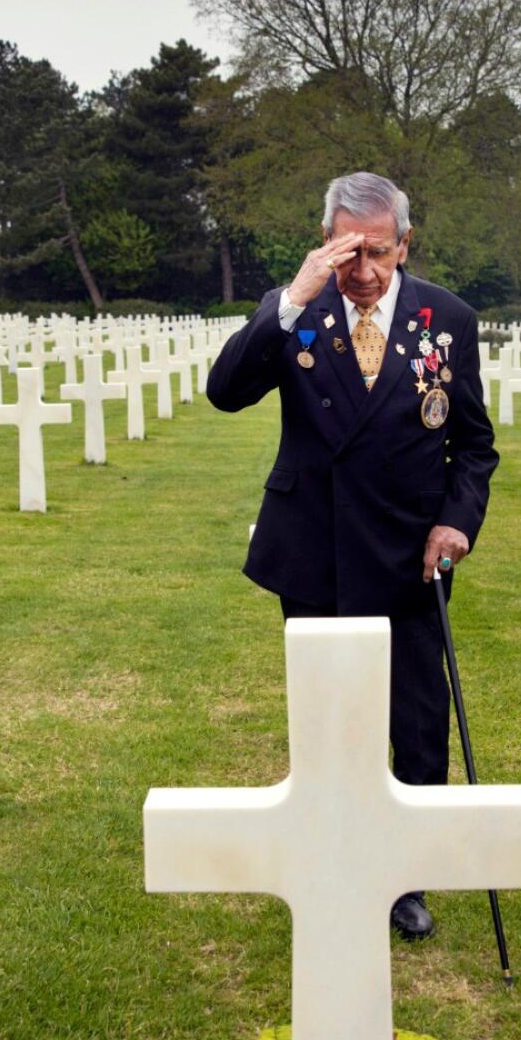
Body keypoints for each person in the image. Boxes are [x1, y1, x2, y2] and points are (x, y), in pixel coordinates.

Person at [207, 171, 499, 941]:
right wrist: (290, 299)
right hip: (315, 550)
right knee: (330, 720)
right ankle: (329, 863)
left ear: (405, 244)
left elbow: (473, 446)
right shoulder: (300, 311)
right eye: (346, 252)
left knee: (416, 717)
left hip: (409, 555)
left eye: (377, 251)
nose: (362, 270)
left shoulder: (448, 319)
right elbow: (225, 391)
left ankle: (405, 877)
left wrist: (457, 523)